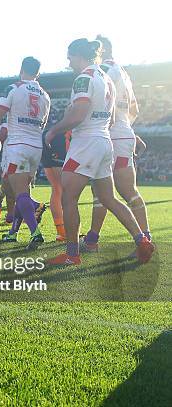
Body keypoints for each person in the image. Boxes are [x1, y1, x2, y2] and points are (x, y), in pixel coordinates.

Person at [44, 38, 154, 265]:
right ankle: (142, 240)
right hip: (105, 142)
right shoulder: (106, 79)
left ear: (79, 56)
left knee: (68, 198)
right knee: (109, 198)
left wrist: (53, 130)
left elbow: (79, 112)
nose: (68, 61)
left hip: (86, 143)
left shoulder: (84, 78)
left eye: (70, 56)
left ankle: (72, 254)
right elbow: (113, 117)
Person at [80, 35, 151, 252]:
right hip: (124, 133)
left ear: (101, 52)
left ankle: (92, 241)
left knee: (101, 191)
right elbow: (134, 110)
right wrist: (125, 127)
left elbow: (102, 104)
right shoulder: (124, 73)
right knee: (129, 191)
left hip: (109, 134)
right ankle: (145, 237)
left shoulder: (104, 72)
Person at [0, 57, 51, 250]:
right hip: (35, 147)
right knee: (23, 190)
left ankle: (35, 232)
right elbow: (44, 124)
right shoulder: (45, 95)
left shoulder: (13, 88)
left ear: (21, 69)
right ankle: (13, 233)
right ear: (38, 73)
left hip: (18, 145)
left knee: (19, 193)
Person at [41, 125, 71, 242]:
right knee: (62, 189)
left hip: (51, 134)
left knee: (57, 189)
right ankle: (64, 231)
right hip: (58, 136)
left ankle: (61, 231)